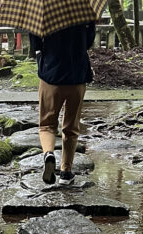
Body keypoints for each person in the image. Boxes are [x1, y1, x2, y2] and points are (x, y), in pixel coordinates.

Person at [29, 21, 96, 185]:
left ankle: (49, 154)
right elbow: (88, 43)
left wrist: (40, 56)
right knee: (71, 127)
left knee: (47, 124)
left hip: (51, 75)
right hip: (77, 76)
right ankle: (66, 172)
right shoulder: (83, 11)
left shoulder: (43, 12)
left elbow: (35, 43)